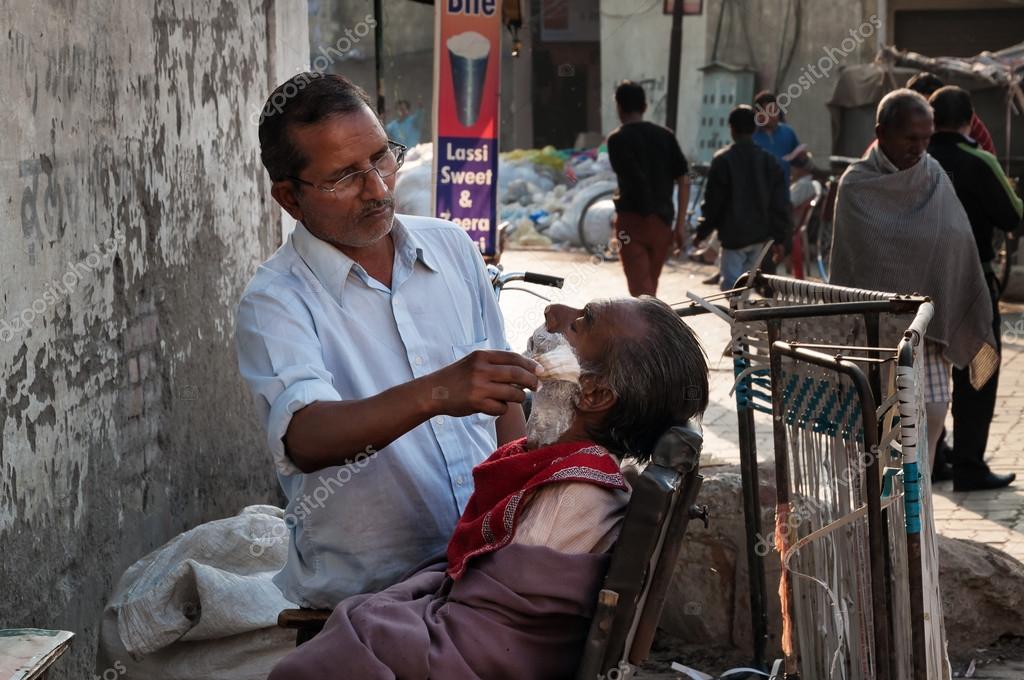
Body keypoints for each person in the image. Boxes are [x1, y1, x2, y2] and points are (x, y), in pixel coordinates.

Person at [267, 296, 710, 680]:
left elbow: (486, 636)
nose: (554, 312)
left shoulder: (574, 495)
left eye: (581, 323)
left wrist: (384, 623)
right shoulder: (563, 464)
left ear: (594, 394)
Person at [235, 73, 537, 609]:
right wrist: (437, 393)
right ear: (289, 198)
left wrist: (514, 526)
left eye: (381, 158)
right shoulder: (276, 301)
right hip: (368, 599)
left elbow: (502, 405)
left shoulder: (451, 248)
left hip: (481, 568)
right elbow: (305, 437)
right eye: (344, 177)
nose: (377, 189)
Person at [829, 89, 999, 467]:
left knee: (933, 414)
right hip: (872, 338)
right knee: (879, 428)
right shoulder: (856, 185)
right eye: (911, 138)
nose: (920, 148)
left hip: (931, 329)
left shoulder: (934, 174)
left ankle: (917, 508)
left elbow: (957, 238)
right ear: (882, 132)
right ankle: (883, 511)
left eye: (927, 138)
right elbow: (853, 264)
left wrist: (944, 286)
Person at [927, 85, 1022, 491]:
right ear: (969, 121)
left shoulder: (913, 158)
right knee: (980, 366)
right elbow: (1014, 216)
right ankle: (969, 462)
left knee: (929, 371)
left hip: (920, 286)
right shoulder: (979, 160)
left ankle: (934, 456)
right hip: (972, 284)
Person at [606, 80, 691, 297]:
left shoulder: (617, 139)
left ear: (619, 107)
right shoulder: (665, 136)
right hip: (662, 223)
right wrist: (680, 225)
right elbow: (684, 179)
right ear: (644, 107)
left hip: (632, 222)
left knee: (642, 294)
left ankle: (649, 330)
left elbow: (633, 178)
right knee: (650, 288)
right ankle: (654, 329)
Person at [693, 105, 791, 291]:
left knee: (731, 287)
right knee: (747, 287)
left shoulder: (722, 160)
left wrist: (702, 232)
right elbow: (780, 203)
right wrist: (779, 239)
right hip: (759, 237)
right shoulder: (769, 161)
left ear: (732, 128)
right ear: (754, 129)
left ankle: (736, 318)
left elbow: (713, 202)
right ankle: (743, 317)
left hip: (733, 237)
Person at [907, 72, 996, 154]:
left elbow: (987, 156)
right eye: (921, 107)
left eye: (932, 106)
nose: (927, 112)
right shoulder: (902, 124)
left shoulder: (962, 117)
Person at [752, 91, 804, 195]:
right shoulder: (751, 136)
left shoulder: (788, 132)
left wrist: (803, 157)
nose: (774, 116)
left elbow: (798, 162)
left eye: (775, 111)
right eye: (769, 112)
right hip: (756, 196)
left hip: (782, 195)